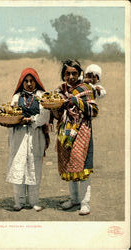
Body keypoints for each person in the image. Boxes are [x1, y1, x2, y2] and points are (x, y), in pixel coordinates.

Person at [51, 59, 99, 215]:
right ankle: (74, 199)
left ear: (79, 74)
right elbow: (57, 113)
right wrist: (55, 109)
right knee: (69, 166)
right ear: (63, 75)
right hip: (65, 133)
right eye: (67, 73)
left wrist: (76, 101)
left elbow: (94, 111)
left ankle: (85, 203)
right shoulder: (60, 90)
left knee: (83, 168)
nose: (71, 76)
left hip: (82, 132)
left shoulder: (86, 89)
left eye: (74, 73)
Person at [6, 68, 50, 212]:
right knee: (18, 165)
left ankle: (34, 201)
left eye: (32, 81)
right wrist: (15, 120)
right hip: (18, 135)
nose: (29, 84)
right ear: (22, 82)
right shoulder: (17, 97)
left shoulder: (42, 96)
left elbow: (45, 116)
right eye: (26, 81)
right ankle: (19, 201)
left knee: (34, 167)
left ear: (36, 81)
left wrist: (31, 119)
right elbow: (10, 112)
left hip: (35, 134)